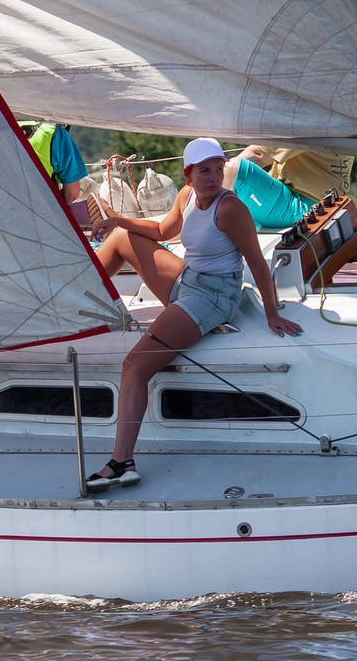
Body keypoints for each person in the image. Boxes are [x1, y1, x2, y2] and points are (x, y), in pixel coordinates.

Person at [83, 138, 304, 489]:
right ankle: (71, 299)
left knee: (135, 366)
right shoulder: (186, 197)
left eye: (218, 169)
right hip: (188, 279)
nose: (214, 177)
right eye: (205, 171)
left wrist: (271, 314)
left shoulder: (230, 209)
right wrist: (116, 220)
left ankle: (122, 461)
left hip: (213, 297)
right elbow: (162, 231)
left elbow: (257, 263)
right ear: (188, 175)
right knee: (121, 237)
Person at [228, 145, 319, 231]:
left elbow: (258, 155)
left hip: (303, 207)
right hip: (313, 202)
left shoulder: (300, 132)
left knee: (231, 168)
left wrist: (225, 173)